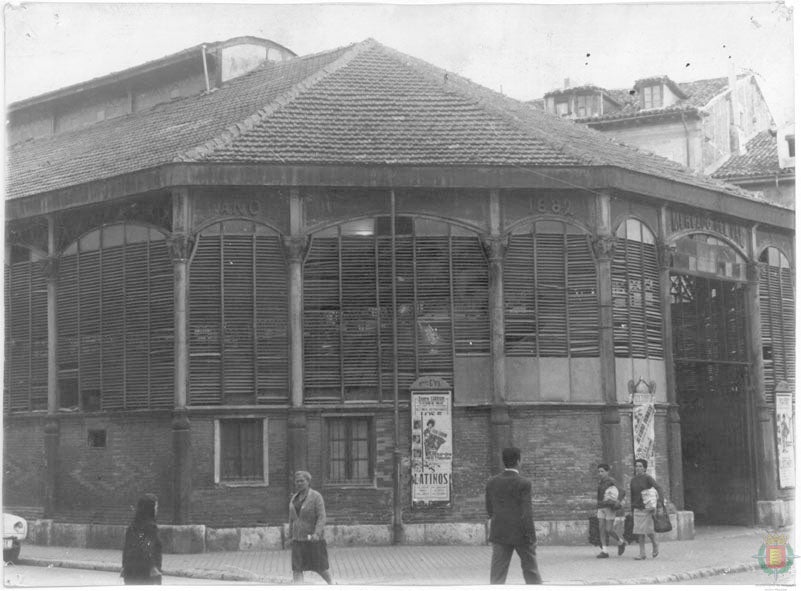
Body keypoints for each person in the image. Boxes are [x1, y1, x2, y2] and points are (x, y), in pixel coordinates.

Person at [485, 446, 542, 584]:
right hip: (521, 533)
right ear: (518, 461)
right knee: (531, 571)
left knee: (497, 576)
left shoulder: (492, 482)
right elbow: (526, 512)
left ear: (503, 461)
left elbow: (489, 509)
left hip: (500, 532)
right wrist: (532, 537)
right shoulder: (524, 483)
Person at [289, 471, 333, 584]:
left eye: (302, 481)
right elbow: (292, 519)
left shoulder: (316, 496)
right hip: (297, 539)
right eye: (297, 481)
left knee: (320, 567)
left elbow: (321, 516)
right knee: (297, 569)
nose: (299, 483)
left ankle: (332, 584)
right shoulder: (294, 498)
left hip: (312, 538)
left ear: (308, 482)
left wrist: (317, 533)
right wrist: (290, 535)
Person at [121, 493, 162, 585]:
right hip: (147, 573)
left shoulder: (132, 527)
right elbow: (148, 548)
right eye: (156, 507)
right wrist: (153, 567)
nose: (156, 510)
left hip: (130, 571)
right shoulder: (151, 528)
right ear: (150, 509)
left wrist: (124, 566)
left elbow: (126, 549)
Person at [629, 459, 664, 560]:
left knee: (649, 531)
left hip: (647, 508)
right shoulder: (633, 480)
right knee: (639, 532)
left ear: (644, 468)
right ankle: (642, 553)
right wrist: (632, 509)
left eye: (640, 466)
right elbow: (632, 495)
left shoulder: (648, 478)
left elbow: (659, 488)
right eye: (637, 466)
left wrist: (659, 502)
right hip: (637, 508)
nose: (638, 468)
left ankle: (655, 543)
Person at [595, 463, 626, 558]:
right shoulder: (600, 482)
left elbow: (622, 491)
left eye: (602, 471)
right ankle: (604, 551)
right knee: (601, 529)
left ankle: (621, 542)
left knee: (609, 529)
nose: (600, 473)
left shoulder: (611, 480)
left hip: (609, 507)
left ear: (607, 472)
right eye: (599, 471)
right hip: (601, 507)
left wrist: (618, 501)